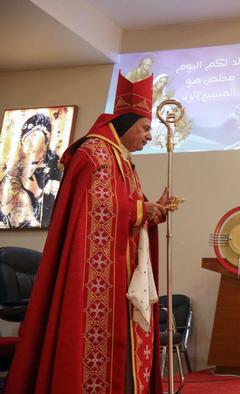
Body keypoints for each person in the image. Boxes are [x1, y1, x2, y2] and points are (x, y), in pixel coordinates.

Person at [6, 73, 174, 393]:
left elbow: (124, 211)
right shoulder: (96, 153)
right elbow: (97, 211)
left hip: (121, 273)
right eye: (145, 128)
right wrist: (141, 211)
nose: (149, 137)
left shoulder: (123, 162)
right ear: (126, 125)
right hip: (95, 274)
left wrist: (150, 212)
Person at [0, 113, 56, 228]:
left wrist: (37, 192)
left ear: (45, 144)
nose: (31, 146)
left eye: (36, 141)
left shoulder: (52, 170)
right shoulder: (16, 169)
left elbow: (55, 210)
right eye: (27, 142)